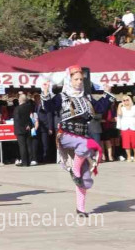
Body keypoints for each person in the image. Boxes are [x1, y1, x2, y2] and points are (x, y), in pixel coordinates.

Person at [41, 66, 114, 216]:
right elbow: (49, 107)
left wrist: (107, 93)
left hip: (82, 136)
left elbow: (99, 108)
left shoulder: (86, 97)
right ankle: (75, 171)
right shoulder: (62, 96)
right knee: (85, 145)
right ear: (69, 80)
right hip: (66, 135)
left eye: (81, 79)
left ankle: (80, 208)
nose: (79, 82)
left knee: (86, 180)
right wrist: (46, 93)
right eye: (76, 79)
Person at [13, 92, 37, 167]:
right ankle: (29, 160)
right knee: (28, 145)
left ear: (20, 100)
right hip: (27, 128)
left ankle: (24, 162)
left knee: (22, 146)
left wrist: (23, 126)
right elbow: (29, 117)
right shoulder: (29, 107)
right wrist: (28, 125)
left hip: (20, 129)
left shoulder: (17, 108)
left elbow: (17, 119)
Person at [117, 94, 135, 162]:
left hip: (133, 126)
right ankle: (129, 157)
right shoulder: (122, 108)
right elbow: (119, 114)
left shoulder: (134, 107)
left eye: (127, 100)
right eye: (124, 100)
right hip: (125, 127)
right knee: (126, 143)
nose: (125, 101)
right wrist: (119, 105)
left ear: (129, 100)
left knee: (134, 143)